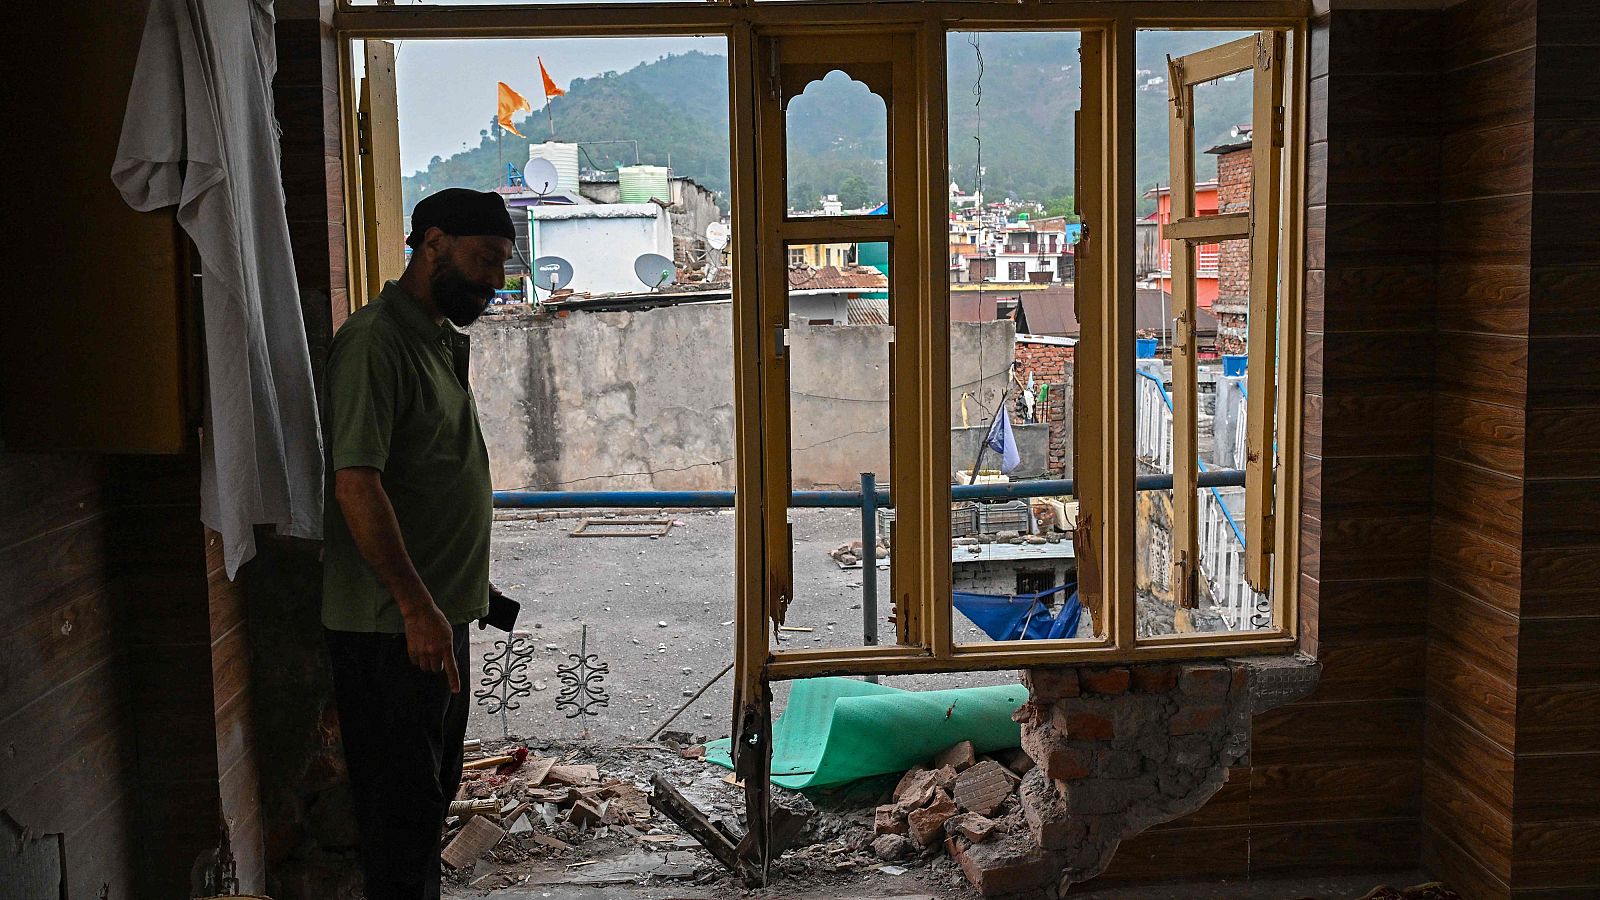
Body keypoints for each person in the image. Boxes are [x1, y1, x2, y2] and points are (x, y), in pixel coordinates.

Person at [322, 188, 514, 900]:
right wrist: (414, 605)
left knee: (429, 795)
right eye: (484, 258)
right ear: (432, 243)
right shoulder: (377, 342)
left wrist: (461, 587)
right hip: (391, 630)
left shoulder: (434, 338)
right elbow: (357, 483)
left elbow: (425, 473)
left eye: (502, 263)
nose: (494, 279)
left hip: (433, 619)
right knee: (401, 814)